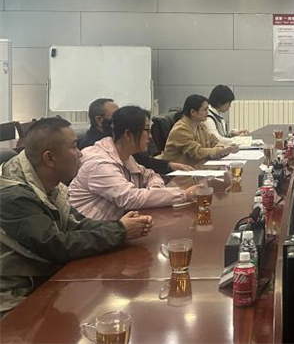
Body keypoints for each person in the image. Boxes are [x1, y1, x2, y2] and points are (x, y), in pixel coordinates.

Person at [0, 118, 152, 314]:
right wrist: (120, 231)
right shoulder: (14, 197)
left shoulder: (47, 184)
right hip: (13, 298)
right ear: (49, 158)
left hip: (41, 282)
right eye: (74, 146)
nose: (80, 153)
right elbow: (56, 246)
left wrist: (121, 226)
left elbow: (77, 223)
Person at [69, 106, 198, 221]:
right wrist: (184, 195)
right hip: (91, 234)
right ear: (128, 134)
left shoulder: (125, 156)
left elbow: (151, 175)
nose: (150, 136)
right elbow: (130, 199)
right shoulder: (99, 164)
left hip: (115, 228)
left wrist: (155, 190)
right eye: (146, 130)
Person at [78, 98, 192, 175]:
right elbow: (129, 196)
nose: (121, 118)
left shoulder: (119, 143)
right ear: (99, 120)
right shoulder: (93, 148)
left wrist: (168, 166)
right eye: (115, 116)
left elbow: (144, 167)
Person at [161, 94, 239, 167]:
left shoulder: (200, 126)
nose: (207, 112)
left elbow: (215, 141)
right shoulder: (180, 130)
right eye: (205, 109)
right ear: (193, 112)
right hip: (177, 173)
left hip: (195, 167)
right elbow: (197, 152)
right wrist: (221, 151)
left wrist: (220, 149)